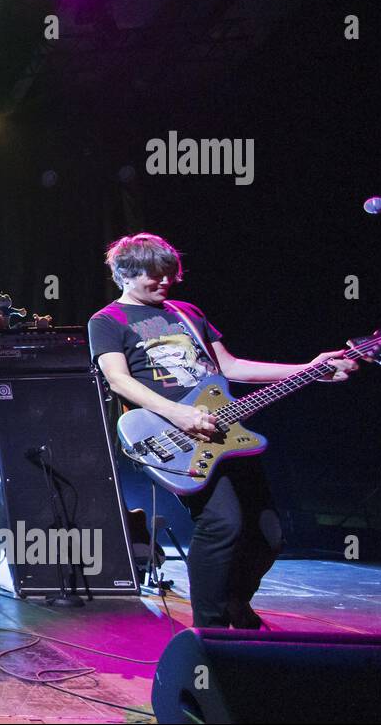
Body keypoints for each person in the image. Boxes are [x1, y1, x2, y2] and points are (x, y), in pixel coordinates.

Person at [88, 233, 357, 628]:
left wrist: (309, 370)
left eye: (169, 275)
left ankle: (234, 600)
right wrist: (178, 415)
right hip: (172, 434)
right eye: (155, 276)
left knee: (269, 535)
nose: (166, 283)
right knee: (222, 523)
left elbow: (229, 367)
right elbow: (119, 381)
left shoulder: (186, 312)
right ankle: (209, 632)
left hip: (226, 431)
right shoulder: (108, 321)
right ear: (125, 275)